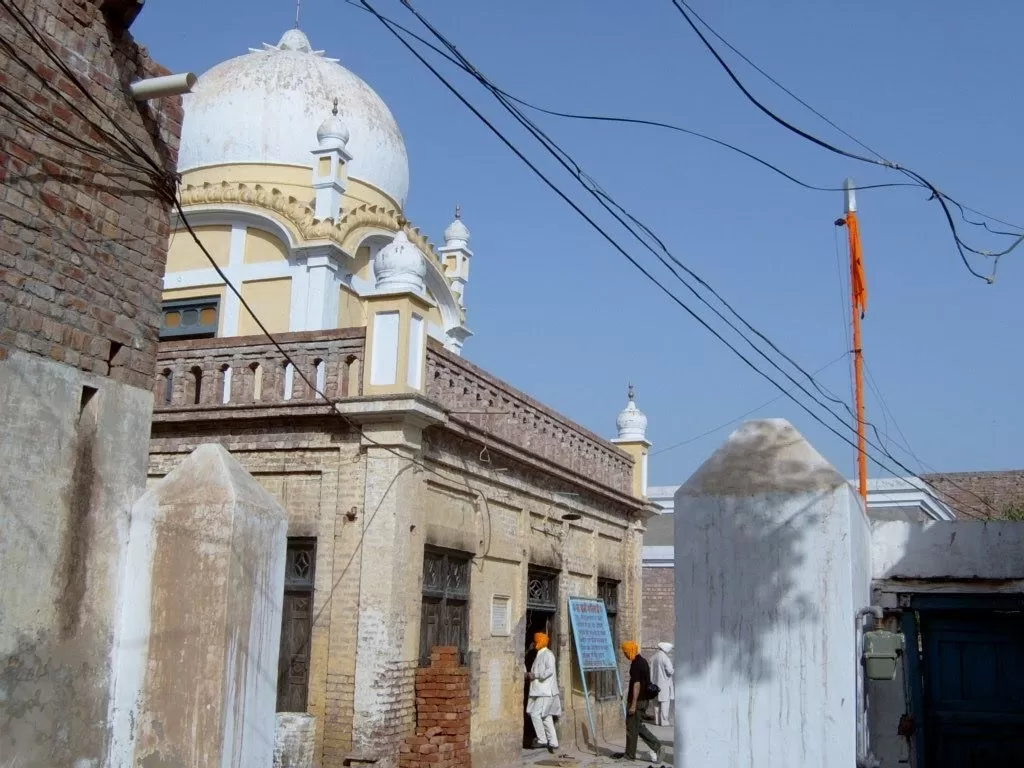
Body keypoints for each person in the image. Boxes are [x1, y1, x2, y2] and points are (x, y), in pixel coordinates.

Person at [613, 640, 662, 763]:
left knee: (631, 727)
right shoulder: (643, 661)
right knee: (637, 726)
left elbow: (637, 684)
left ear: (630, 650)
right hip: (644, 700)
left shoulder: (636, 664)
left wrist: (633, 704)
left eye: (625, 652)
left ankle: (630, 755)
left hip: (637, 700)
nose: (624, 654)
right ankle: (657, 746)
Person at [525, 632, 561, 754]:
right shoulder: (539, 655)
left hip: (545, 691)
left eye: (535, 642)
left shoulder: (548, 655)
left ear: (539, 642)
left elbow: (549, 671)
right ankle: (553, 742)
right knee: (546, 717)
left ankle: (542, 739)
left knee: (535, 714)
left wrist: (535, 675)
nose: (533, 644)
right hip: (540, 691)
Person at [650, 642, 674, 727]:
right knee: (664, 703)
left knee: (656, 703)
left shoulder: (654, 657)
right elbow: (670, 671)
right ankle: (664, 721)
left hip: (654, 683)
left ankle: (656, 721)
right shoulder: (665, 658)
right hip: (663, 684)